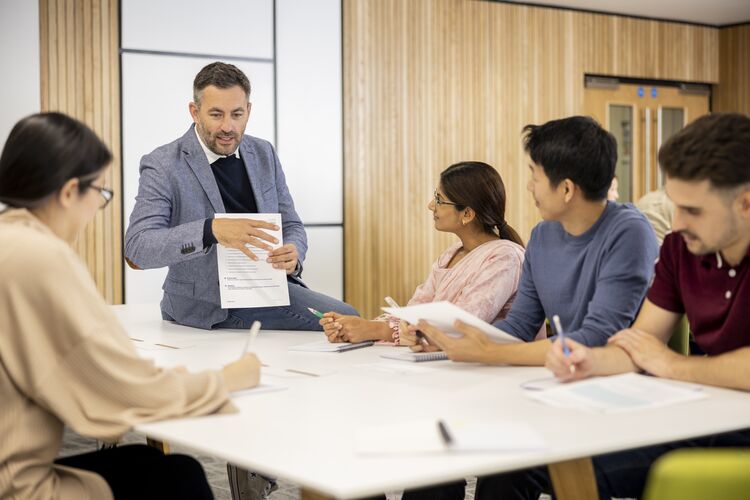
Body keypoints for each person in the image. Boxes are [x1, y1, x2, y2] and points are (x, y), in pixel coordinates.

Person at [0, 112, 261, 500]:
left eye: (237, 113)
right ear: (71, 191)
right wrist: (228, 380)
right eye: (102, 195)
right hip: (19, 487)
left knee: (150, 463)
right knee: (178, 477)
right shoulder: (40, 256)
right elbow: (115, 391)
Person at [540, 112, 750, 500]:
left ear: (745, 204)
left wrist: (672, 365)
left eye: (693, 210)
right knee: (571, 471)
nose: (677, 222)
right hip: (707, 417)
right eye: (675, 205)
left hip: (734, 430)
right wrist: (592, 359)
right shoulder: (680, 247)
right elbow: (641, 343)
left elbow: (661, 358)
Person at [124, 61, 357, 332]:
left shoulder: (263, 153)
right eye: (216, 114)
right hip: (206, 302)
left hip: (269, 287)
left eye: (236, 114)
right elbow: (137, 248)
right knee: (347, 319)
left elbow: (292, 225)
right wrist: (210, 230)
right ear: (194, 112)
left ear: (248, 110)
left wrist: (294, 254)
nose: (228, 126)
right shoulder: (163, 164)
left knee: (350, 320)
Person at [417, 116, 659, 367]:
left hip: (622, 380)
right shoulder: (543, 236)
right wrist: (453, 341)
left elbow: (597, 338)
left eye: (535, 176)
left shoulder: (629, 234)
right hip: (570, 372)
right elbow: (520, 325)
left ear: (566, 189)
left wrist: (487, 351)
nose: (529, 186)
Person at [320, 161, 534, 345]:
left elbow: (461, 324)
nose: (431, 206)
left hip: (491, 372)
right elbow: (416, 309)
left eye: (439, 200)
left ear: (467, 214)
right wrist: (358, 328)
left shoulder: (505, 258)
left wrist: (375, 330)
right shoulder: (451, 254)